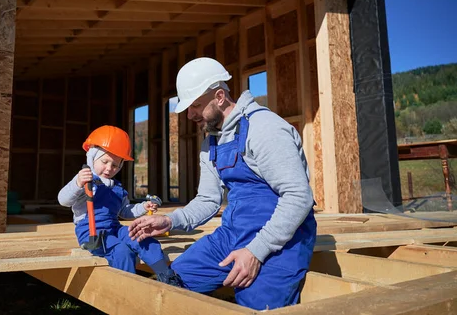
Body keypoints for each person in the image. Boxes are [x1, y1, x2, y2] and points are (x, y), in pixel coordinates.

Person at [128, 58, 317, 310]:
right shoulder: (211, 143)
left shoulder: (264, 129)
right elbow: (208, 200)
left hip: (281, 242)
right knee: (171, 283)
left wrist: (255, 252)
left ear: (219, 97)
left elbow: (298, 197)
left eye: (195, 105)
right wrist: (170, 220)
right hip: (233, 235)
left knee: (255, 306)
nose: (190, 114)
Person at [58, 125, 183, 287]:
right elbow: (63, 200)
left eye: (115, 165)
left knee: (141, 237)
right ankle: (128, 287)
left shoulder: (117, 187)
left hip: (114, 228)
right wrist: (77, 183)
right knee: (122, 251)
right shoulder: (85, 182)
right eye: (104, 162)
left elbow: (125, 211)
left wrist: (143, 207)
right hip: (92, 233)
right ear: (92, 157)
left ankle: (166, 275)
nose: (109, 168)